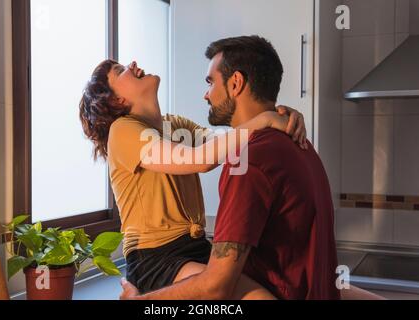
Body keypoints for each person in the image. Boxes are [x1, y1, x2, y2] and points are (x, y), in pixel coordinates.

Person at [119, 36, 384, 300]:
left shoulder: (248, 160)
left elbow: (215, 287)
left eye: (210, 82)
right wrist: (269, 117)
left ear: (236, 83)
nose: (206, 94)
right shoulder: (300, 144)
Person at [79, 55, 307, 299]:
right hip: (155, 259)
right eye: (120, 70)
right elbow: (197, 159)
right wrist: (265, 120)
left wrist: (278, 116)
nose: (132, 64)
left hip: (198, 248)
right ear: (117, 99)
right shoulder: (122, 130)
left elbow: (226, 141)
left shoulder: (173, 124)